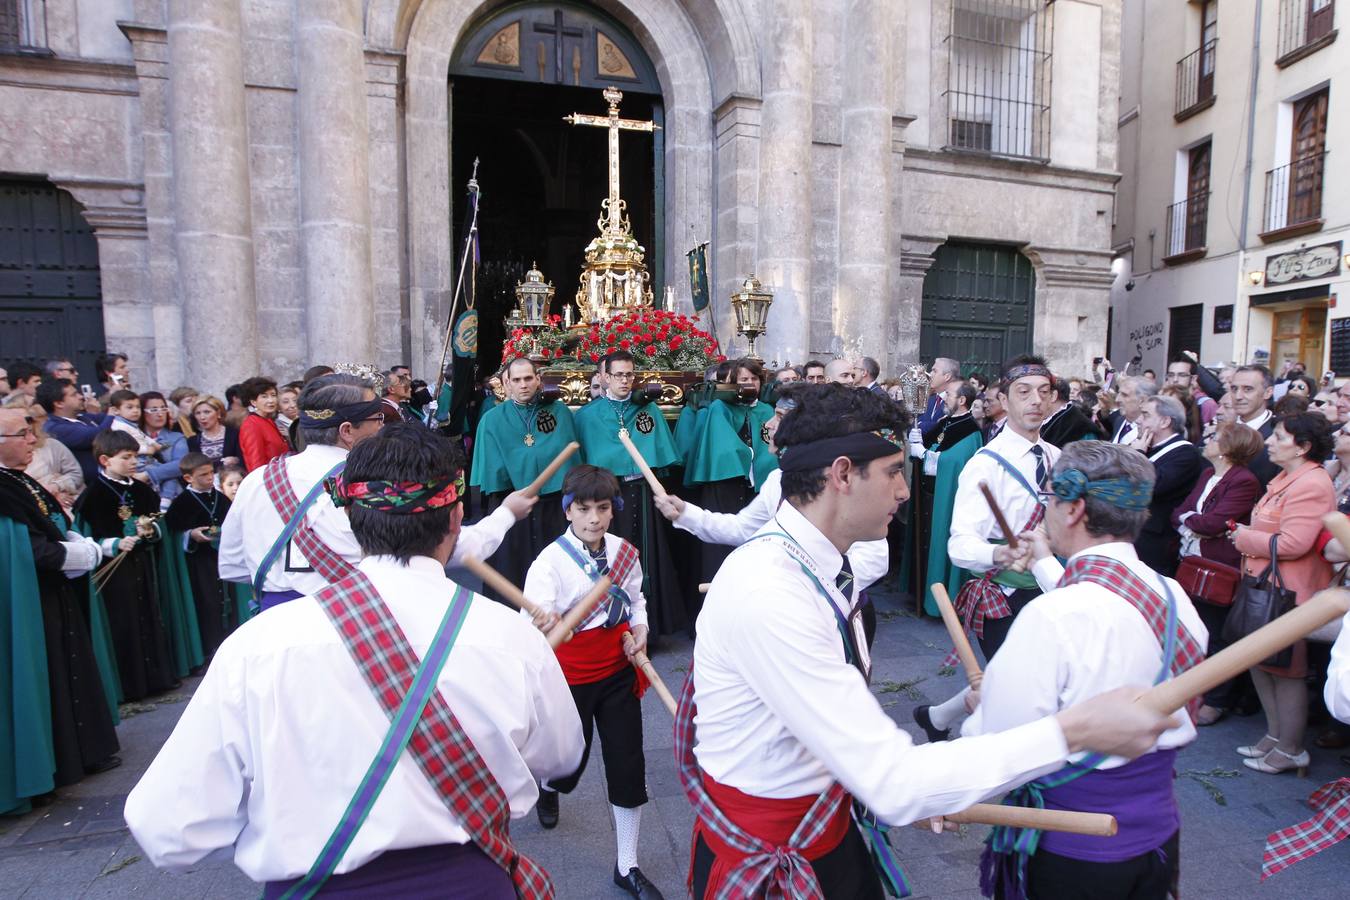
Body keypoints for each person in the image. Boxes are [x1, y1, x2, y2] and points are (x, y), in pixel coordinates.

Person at [685, 383, 1179, 898]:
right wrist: (1075, 730)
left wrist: (918, 787)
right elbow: (894, 779)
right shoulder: (770, 591)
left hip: (828, 822)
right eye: (894, 471)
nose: (904, 491)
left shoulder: (819, 566)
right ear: (843, 474)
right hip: (775, 858)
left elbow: (849, 749)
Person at [125, 423, 586, 895]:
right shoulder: (510, 637)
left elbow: (169, 831)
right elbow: (561, 757)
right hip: (470, 881)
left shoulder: (258, 647)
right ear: (455, 520)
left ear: (349, 519)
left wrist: (284, 814)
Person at [965, 441, 1207, 900]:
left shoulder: (1054, 616)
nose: (1045, 512)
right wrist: (1043, 562)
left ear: (1073, 508)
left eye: (1050, 499)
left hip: (1072, 851)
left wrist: (984, 709)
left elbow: (999, 743)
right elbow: (1103, 605)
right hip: (1157, 839)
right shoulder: (1171, 595)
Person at [222, 374, 526, 611]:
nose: (383, 427)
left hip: (272, 624)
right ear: (346, 431)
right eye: (377, 419)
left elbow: (234, 563)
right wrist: (506, 514)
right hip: (355, 625)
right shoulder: (378, 482)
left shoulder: (257, 480)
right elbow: (448, 548)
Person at [523, 465, 661, 898]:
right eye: (583, 509)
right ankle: (550, 788)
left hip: (619, 673)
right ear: (568, 511)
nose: (594, 519)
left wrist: (640, 631)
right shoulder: (549, 562)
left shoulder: (624, 553)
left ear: (613, 510)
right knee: (567, 763)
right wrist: (543, 620)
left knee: (627, 765)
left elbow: (636, 602)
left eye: (602, 508)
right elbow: (530, 620)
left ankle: (628, 864)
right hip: (570, 678)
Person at [656, 390, 890, 641]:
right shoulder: (777, 481)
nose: (768, 424)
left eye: (778, 416)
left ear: (805, 427)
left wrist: (811, 585)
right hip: (789, 613)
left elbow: (874, 559)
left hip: (839, 613)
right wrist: (686, 514)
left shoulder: (845, 483)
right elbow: (742, 529)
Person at [0, 408, 120, 811]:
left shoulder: (14, 479)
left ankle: (75, 754)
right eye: (22, 434)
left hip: (49, 594)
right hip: (29, 601)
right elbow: (24, 550)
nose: (33, 440)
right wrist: (73, 553)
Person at [1231, 412, 1336, 775]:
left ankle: (1292, 749)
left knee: (1287, 670)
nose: (1270, 442)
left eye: (1279, 437)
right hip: (1267, 584)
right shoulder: (1285, 476)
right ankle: (1275, 736)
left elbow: (1294, 543)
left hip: (1289, 591)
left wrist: (1244, 538)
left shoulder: (1312, 483)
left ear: (1303, 447)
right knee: (1263, 663)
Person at [948, 355, 1060, 658]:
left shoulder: (1057, 456)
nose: (1036, 400)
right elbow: (960, 546)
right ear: (1003, 400)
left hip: (1054, 591)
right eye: (1024, 392)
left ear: (1052, 400)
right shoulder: (985, 466)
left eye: (1044, 391)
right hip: (1006, 599)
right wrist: (999, 553)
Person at [573, 350, 689, 635]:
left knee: (648, 556)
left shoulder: (647, 410)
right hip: (607, 497)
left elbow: (661, 455)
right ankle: (610, 623)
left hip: (641, 493)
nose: (624, 380)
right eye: (618, 375)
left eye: (629, 375)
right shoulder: (587, 416)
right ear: (605, 377)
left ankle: (651, 625)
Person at [75, 430, 177, 700]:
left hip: (143, 564)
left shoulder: (142, 491)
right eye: (127, 457)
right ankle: (131, 686)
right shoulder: (93, 496)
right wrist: (113, 544)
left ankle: (157, 678)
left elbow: (158, 524)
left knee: (149, 614)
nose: (134, 462)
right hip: (114, 571)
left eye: (135, 456)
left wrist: (151, 532)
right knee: (124, 620)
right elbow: (83, 538)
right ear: (105, 460)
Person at [1173, 423, 1263, 726]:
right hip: (1191, 558)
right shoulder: (1207, 474)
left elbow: (1215, 523)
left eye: (1214, 438)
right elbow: (1180, 512)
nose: (1207, 441)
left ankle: (1217, 699)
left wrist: (1192, 521)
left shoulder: (1244, 480)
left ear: (1227, 448)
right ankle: (1192, 691)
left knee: (1216, 634)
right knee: (1193, 628)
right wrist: (1192, 521)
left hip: (1217, 566)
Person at [469, 357, 578, 600]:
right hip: (513, 506)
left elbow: (569, 457)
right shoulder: (492, 419)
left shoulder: (558, 412)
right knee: (513, 568)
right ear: (506, 384)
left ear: (538, 380)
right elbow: (493, 469)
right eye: (516, 380)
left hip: (553, 505)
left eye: (528, 378)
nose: (523, 384)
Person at [682, 358, 778, 583]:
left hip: (759, 489)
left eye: (755, 379)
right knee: (722, 547)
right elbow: (724, 450)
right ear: (732, 383)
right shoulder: (719, 408)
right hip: (728, 484)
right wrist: (749, 458)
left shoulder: (766, 410)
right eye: (744, 379)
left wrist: (763, 464)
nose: (750, 383)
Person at [917, 381, 983, 617]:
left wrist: (925, 454)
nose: (944, 397)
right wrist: (918, 444)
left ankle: (941, 602)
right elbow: (933, 444)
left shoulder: (971, 430)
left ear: (962, 400)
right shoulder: (946, 422)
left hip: (947, 498)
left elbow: (953, 462)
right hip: (930, 493)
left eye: (949, 394)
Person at [164, 452, 234, 656]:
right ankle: (209, 647)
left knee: (225, 601)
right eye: (203, 474)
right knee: (206, 601)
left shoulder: (220, 497)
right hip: (198, 562)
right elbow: (174, 533)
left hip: (221, 556)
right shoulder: (181, 503)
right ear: (188, 478)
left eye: (211, 472)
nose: (210, 477)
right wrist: (190, 535)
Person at [1129, 394, 1202, 577]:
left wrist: (1137, 455)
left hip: (1156, 542)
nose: (1139, 420)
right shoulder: (1148, 447)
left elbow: (1153, 485)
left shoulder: (1185, 453)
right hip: (1135, 533)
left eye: (1145, 415)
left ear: (1164, 421)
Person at [37, 378, 110, 484]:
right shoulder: (55, 428)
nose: (81, 397)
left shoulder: (81, 417)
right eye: (74, 395)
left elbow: (107, 420)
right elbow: (98, 435)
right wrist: (114, 414)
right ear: (59, 403)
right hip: (91, 486)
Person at [1230, 365, 1279, 486]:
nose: (1238, 396)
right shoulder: (1221, 431)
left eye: (1248, 389)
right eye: (1234, 389)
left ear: (1268, 393)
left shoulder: (1278, 435)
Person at [139, 391, 189, 508]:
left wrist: (148, 474)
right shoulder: (134, 438)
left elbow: (180, 464)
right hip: (142, 493)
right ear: (142, 412)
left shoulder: (177, 438)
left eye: (163, 408)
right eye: (154, 410)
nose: (160, 414)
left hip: (172, 496)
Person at [25, 399, 84, 493]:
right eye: (22, 434)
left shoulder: (51, 445)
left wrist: (57, 486)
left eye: (30, 431)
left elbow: (76, 474)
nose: (31, 438)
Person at [238, 377, 290, 472]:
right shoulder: (251, 425)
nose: (271, 400)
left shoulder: (268, 420)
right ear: (253, 402)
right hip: (268, 479)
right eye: (264, 396)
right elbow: (255, 462)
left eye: (273, 395)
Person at [106, 389, 161, 476]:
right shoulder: (119, 426)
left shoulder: (131, 424)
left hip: (146, 459)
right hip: (137, 462)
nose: (135, 410)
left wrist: (154, 443)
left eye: (138, 407)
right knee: (162, 473)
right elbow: (125, 447)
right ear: (116, 410)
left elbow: (143, 436)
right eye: (130, 407)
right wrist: (147, 450)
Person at [1040, 377, 1103, 447]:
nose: (1036, 400)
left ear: (1053, 396)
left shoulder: (1080, 426)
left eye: (1042, 393)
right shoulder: (1045, 421)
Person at [186, 395, 242, 468]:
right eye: (198, 413)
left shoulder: (234, 434)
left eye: (207, 412)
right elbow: (195, 467)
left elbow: (243, 459)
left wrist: (236, 460)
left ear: (218, 413)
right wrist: (221, 463)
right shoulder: (192, 441)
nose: (202, 417)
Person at [1109, 376, 1157, 444]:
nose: (1117, 400)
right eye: (1118, 393)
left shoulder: (1151, 430)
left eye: (1124, 395)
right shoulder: (1119, 421)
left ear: (1143, 400)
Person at [918, 357, 960, 433]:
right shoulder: (930, 400)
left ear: (947, 377)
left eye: (935, 371)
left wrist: (922, 425)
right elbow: (913, 426)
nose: (930, 374)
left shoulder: (956, 402)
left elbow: (945, 427)